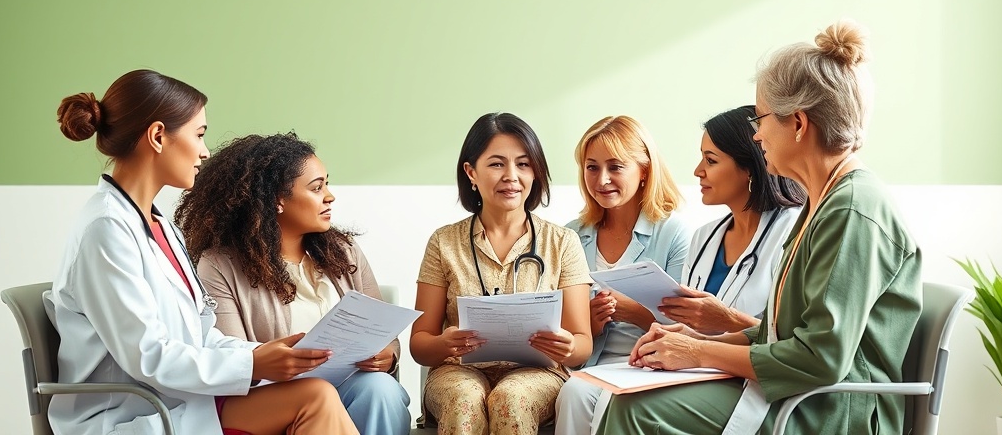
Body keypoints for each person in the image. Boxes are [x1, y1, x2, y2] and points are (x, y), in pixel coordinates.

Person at [598, 20, 923, 435]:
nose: (757, 134)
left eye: (762, 119)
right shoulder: (822, 203)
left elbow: (819, 359)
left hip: (833, 407)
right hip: (803, 392)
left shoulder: (852, 210)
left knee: (638, 411)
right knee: (630, 400)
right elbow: (777, 332)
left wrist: (698, 350)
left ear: (799, 124)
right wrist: (694, 342)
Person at [48, 69, 358, 435]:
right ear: (158, 136)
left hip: (181, 400)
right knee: (314, 400)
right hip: (129, 415)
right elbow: (148, 356)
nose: (205, 152)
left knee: (315, 395)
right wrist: (254, 367)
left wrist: (258, 354)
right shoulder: (106, 230)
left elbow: (199, 333)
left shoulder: (163, 227)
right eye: (199, 135)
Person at [175, 132, 411, 435]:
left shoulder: (343, 250)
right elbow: (231, 359)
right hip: (272, 397)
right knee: (322, 394)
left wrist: (387, 354)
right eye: (317, 188)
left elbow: (383, 331)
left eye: (327, 183)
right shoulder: (220, 265)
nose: (330, 196)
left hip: (350, 385)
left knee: (380, 389)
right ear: (277, 200)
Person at [410, 112, 593, 435]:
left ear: (535, 172)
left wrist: (566, 347)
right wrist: (445, 344)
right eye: (497, 164)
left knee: (511, 398)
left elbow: (581, 345)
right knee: (465, 398)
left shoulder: (563, 242)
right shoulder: (444, 242)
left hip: (537, 372)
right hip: (457, 373)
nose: (511, 176)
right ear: (471, 172)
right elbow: (420, 345)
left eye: (523, 164)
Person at [554, 115, 691, 435]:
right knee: (574, 392)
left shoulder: (673, 234)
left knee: (589, 397)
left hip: (653, 368)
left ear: (644, 171)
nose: (602, 180)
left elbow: (687, 329)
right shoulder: (570, 237)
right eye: (592, 167)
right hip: (589, 367)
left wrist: (635, 313)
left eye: (615, 167)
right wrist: (587, 322)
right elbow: (557, 330)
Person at [661, 105, 806, 335]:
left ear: (749, 167)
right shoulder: (703, 237)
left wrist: (728, 320)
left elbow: (798, 342)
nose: (698, 171)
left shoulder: (794, 231)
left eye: (711, 161)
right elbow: (692, 330)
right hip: (699, 368)